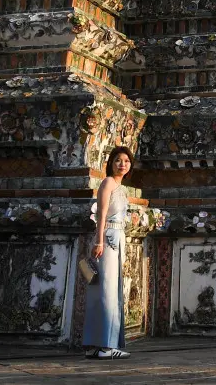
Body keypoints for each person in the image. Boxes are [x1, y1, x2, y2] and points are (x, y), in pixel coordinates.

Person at [83, 146, 133, 360]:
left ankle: (100, 345)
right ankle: (105, 345)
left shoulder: (122, 187)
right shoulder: (108, 183)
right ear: (111, 163)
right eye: (118, 160)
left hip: (117, 236)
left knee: (110, 290)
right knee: (106, 292)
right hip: (108, 237)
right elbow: (101, 213)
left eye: (126, 161)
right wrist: (99, 240)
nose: (122, 164)